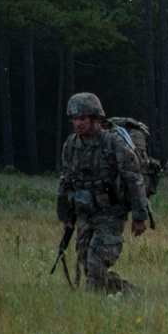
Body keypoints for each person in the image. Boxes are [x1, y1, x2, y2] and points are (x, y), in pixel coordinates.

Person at [57, 92, 149, 294]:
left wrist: (139, 217)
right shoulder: (72, 145)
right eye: (74, 119)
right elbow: (66, 180)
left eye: (82, 118)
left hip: (111, 214)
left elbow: (133, 179)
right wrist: (65, 215)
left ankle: (91, 310)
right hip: (85, 214)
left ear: (95, 118)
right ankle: (128, 293)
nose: (77, 124)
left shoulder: (113, 144)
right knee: (88, 265)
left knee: (96, 263)